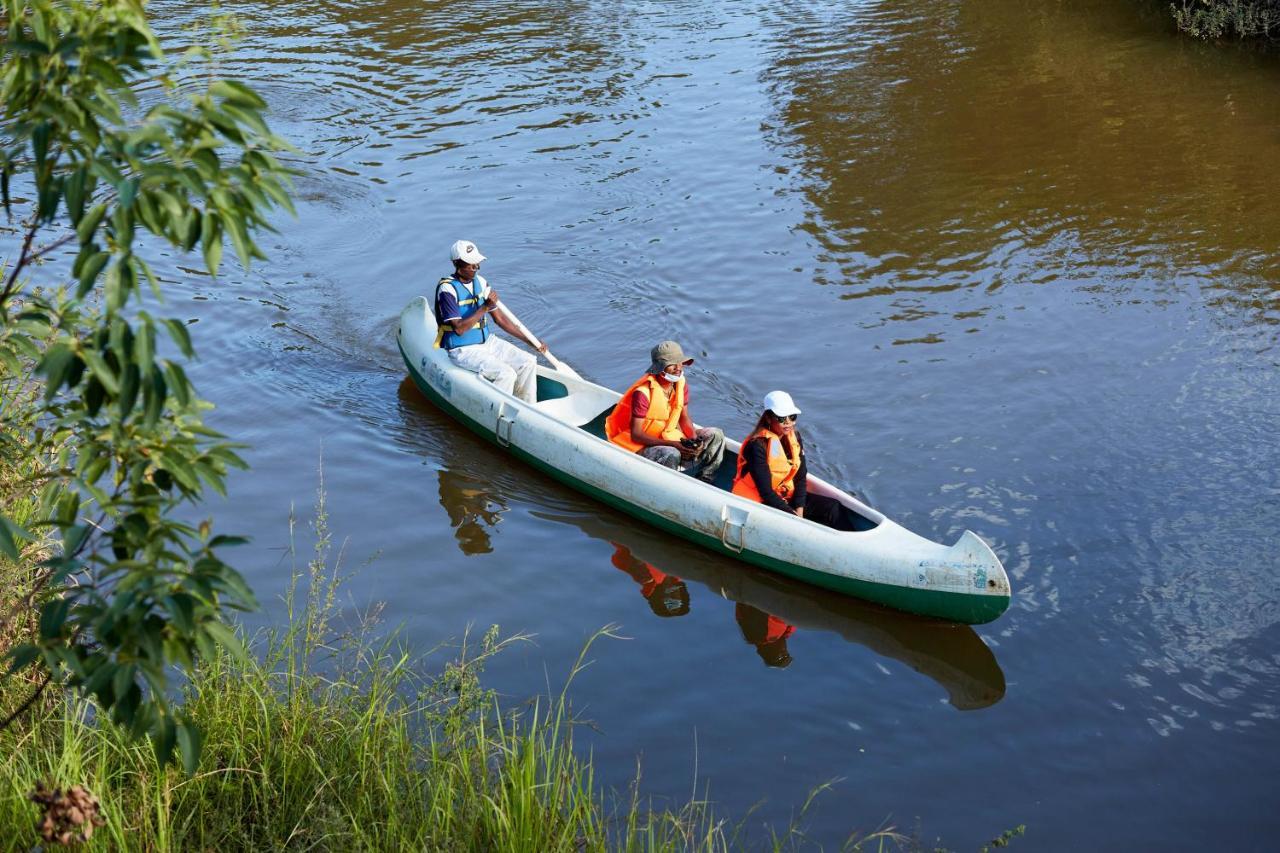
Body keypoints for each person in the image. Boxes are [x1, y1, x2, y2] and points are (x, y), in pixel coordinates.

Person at [434, 239, 546, 404]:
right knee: (506, 374)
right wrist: (485, 307)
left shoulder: (481, 282)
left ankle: (527, 408)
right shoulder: (447, 290)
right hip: (462, 350)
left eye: (477, 264)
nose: (476, 269)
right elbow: (459, 329)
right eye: (471, 265)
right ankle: (496, 411)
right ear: (457, 263)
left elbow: (500, 320)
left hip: (488, 342)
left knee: (528, 362)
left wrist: (530, 341)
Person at [731, 390, 857, 530]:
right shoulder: (756, 446)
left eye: (792, 417)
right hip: (759, 501)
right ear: (768, 418)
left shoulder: (795, 437)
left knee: (833, 508)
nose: (788, 422)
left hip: (784, 495)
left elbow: (800, 476)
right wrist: (792, 516)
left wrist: (799, 508)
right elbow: (765, 491)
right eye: (781, 418)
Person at [605, 340, 725, 482]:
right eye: (672, 364)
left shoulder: (680, 384)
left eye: (680, 363)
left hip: (670, 438)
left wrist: (693, 442)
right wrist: (674, 444)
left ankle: (705, 478)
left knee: (716, 435)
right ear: (659, 368)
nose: (678, 368)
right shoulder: (643, 393)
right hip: (643, 445)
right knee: (671, 453)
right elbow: (636, 435)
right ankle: (667, 486)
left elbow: (684, 417)